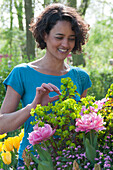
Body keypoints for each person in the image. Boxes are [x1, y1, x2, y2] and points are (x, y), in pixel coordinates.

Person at [0, 3, 92, 167]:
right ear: (44, 35)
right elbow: (1, 126)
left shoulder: (80, 77)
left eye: (71, 38)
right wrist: (33, 106)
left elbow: (82, 129)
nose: (66, 44)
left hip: (71, 162)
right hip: (31, 163)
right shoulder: (22, 73)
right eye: (59, 37)